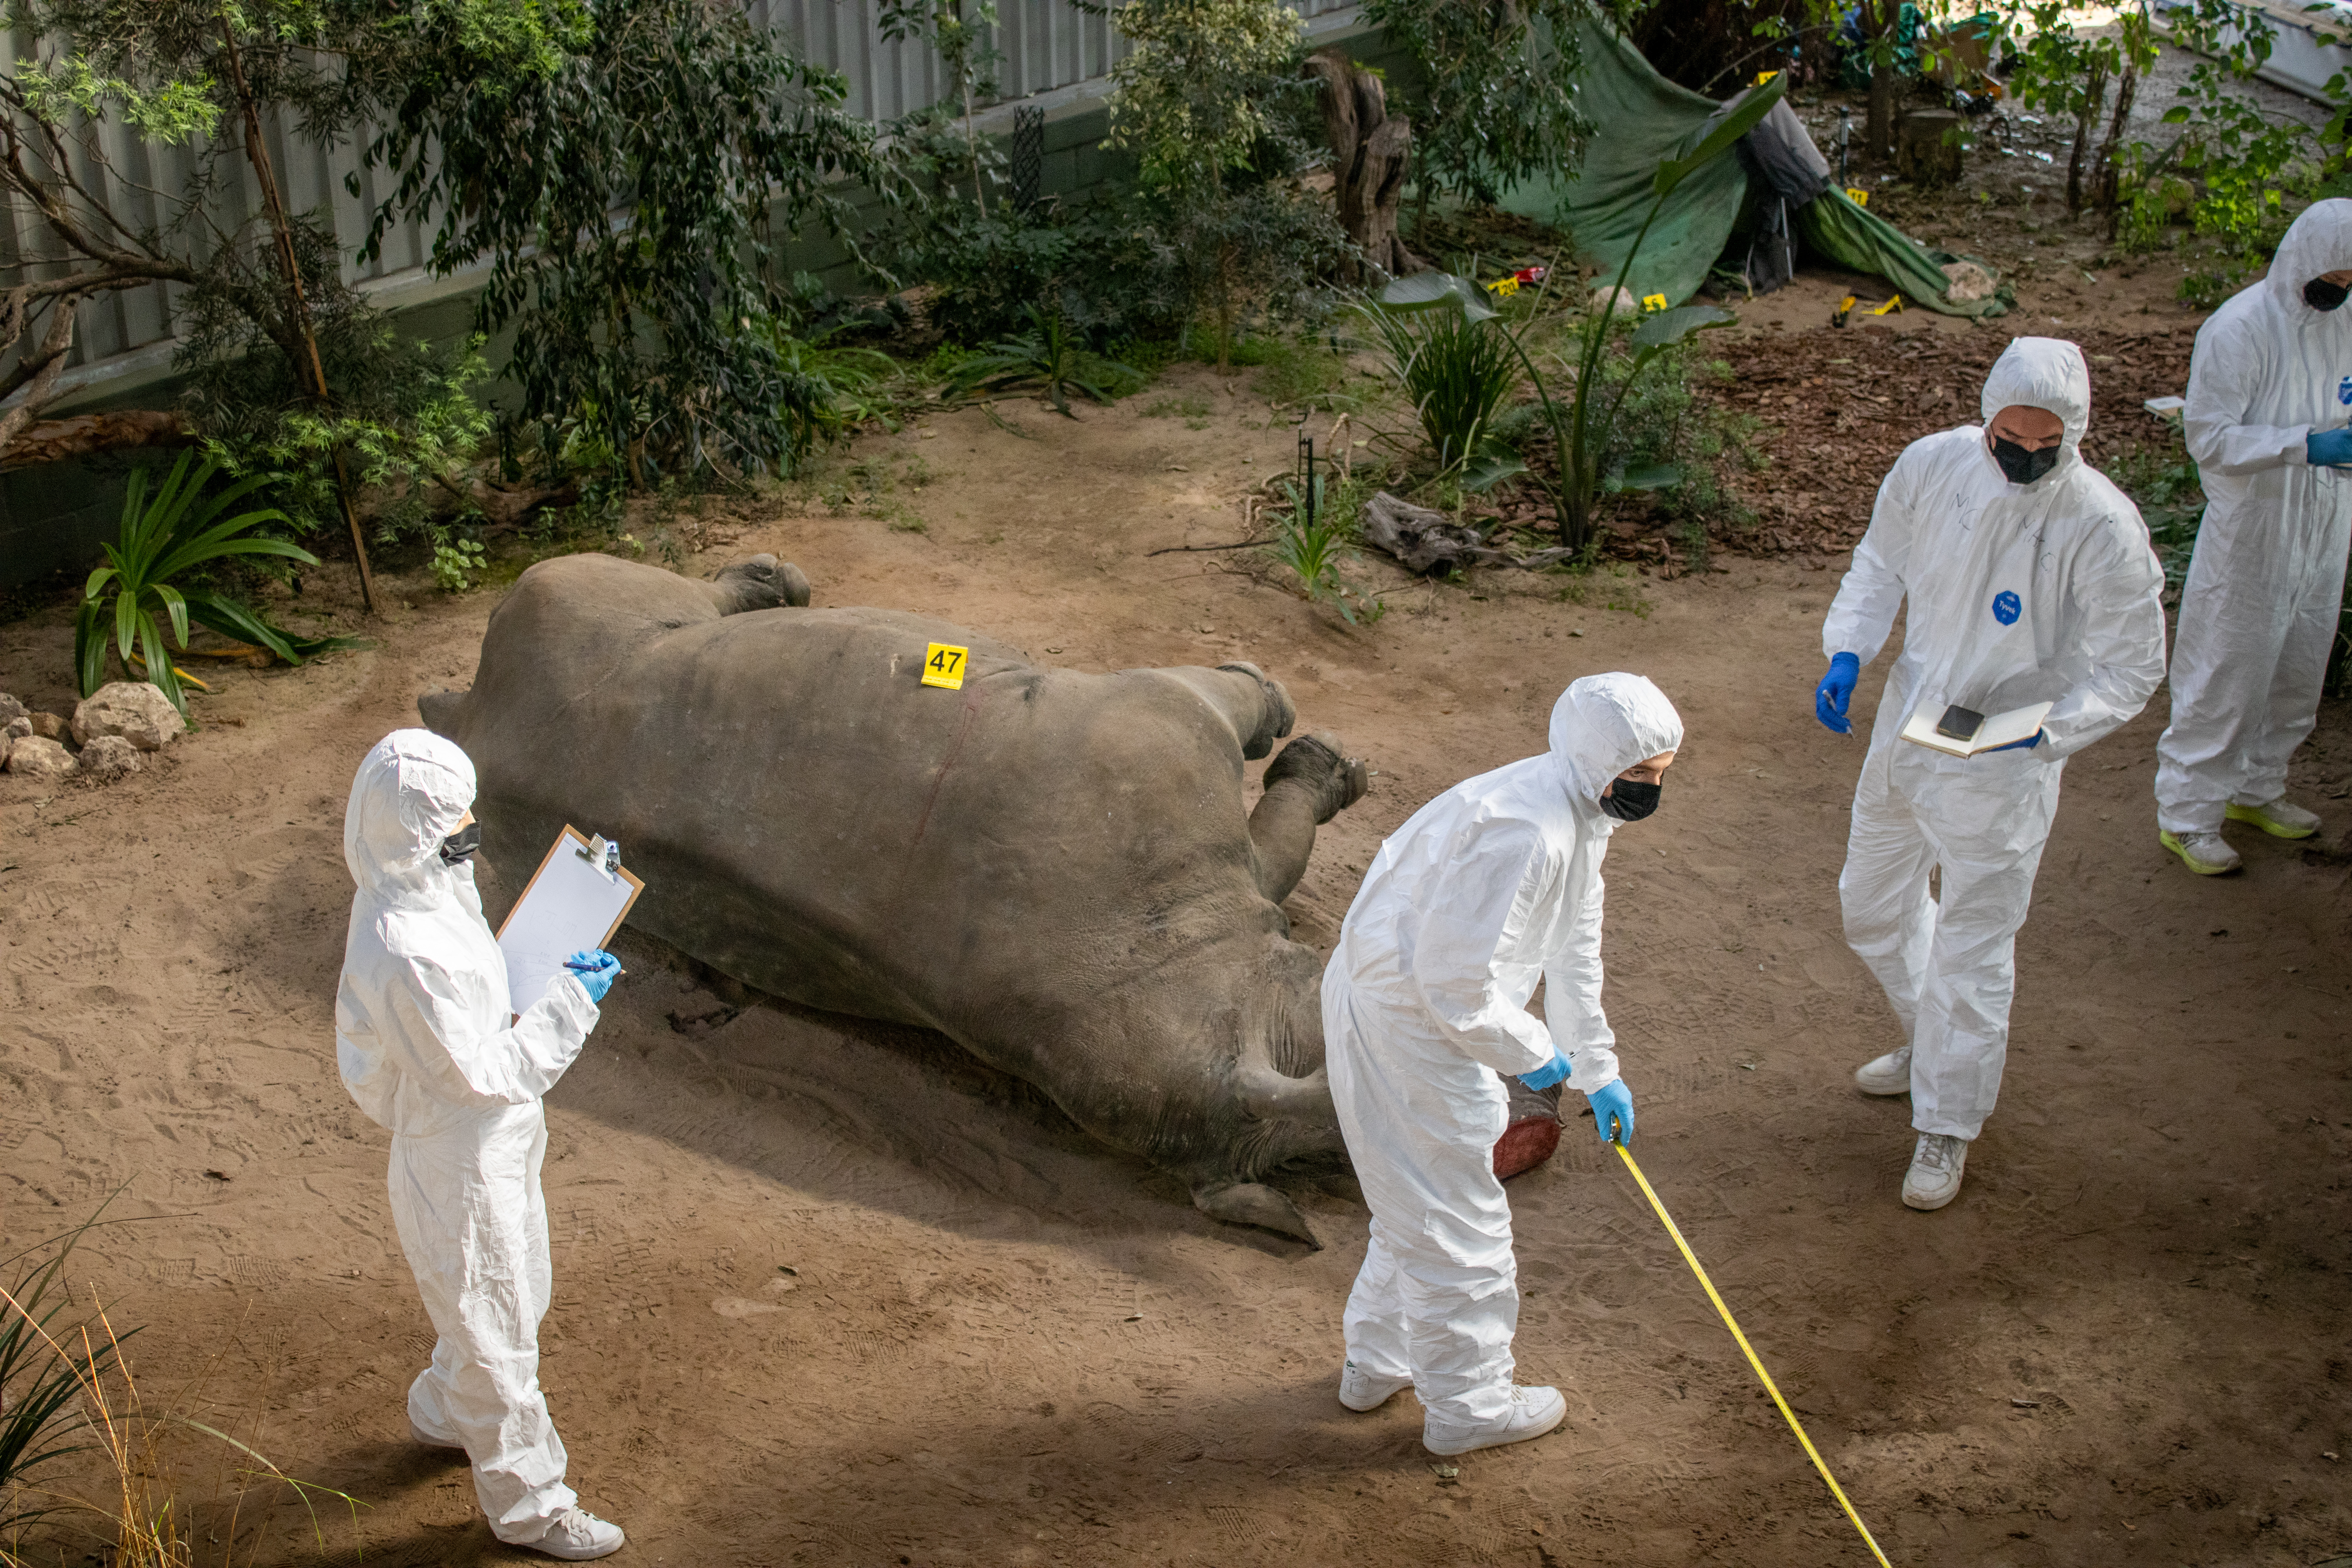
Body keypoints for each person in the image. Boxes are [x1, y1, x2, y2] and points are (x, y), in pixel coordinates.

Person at [1812, 338, 2165, 1211]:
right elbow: (1879, 562)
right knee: (1872, 904)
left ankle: (1949, 1120)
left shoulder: (2102, 525)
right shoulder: (1934, 467)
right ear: (1987, 417)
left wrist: (2043, 732)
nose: (2026, 457)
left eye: (2048, 446)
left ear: (2074, 438)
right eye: (2011, 436)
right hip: (1906, 729)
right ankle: (1935, 1041)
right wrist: (1850, 649)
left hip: (2001, 768)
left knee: (1973, 942)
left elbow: (2133, 669)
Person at [1322, 673, 1680, 1457]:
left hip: (1405, 1004)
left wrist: (1597, 1065)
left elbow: (1574, 943)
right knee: (1462, 1215)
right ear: (1601, 758)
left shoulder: (1580, 807)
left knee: (1417, 1196)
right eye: (1642, 774)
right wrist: (1540, 1054)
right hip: (1409, 1023)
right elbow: (1454, 992)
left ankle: (1376, 1363)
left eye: (1661, 774)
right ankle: (1470, 1404)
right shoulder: (1524, 830)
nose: (1652, 789)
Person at [336, 730, 628, 1561]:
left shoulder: (420, 877)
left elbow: (479, 999)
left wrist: (571, 902)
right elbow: (481, 1072)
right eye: (452, 817)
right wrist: (573, 999)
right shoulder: (405, 948)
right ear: (414, 827)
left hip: (493, 1144)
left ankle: (440, 1408)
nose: (469, 826)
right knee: (498, 1330)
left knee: (513, 1292)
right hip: (460, 1159)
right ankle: (532, 1506)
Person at [2154, 198, 2352, 875]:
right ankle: (2187, 814)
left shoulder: (2347, 321)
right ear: (2306, 258)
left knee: (2299, 667)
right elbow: (2208, 437)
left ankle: (2257, 788)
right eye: (2338, 275)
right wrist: (2305, 444)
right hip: (2255, 528)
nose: (2342, 289)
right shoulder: (2239, 328)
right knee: (2227, 672)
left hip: (2327, 520)